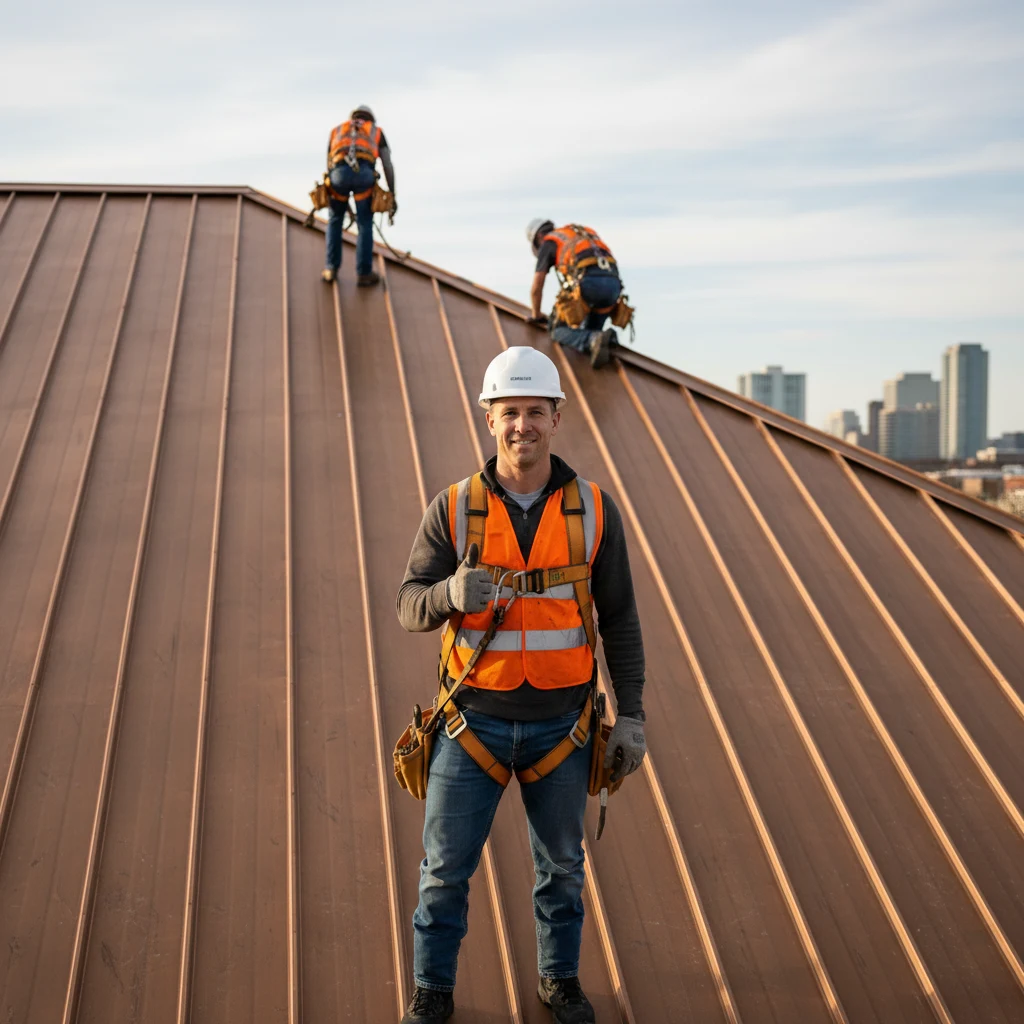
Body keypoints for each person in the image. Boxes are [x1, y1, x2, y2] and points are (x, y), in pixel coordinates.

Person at [396, 346, 648, 1024]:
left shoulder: (595, 511)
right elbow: (408, 605)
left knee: (562, 872)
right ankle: (432, 992)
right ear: (489, 419)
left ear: (557, 417)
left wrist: (633, 717)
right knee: (444, 874)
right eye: (510, 412)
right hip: (469, 725)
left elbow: (620, 619)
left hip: (561, 728)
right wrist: (448, 592)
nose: (522, 426)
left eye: (535, 412)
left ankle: (559, 982)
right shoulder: (453, 508)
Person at [525, 220, 623, 369]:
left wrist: (536, 315)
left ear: (539, 236)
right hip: (614, 287)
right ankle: (601, 340)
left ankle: (592, 339)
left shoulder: (549, 241)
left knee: (556, 330)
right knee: (594, 339)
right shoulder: (582, 234)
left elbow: (537, 287)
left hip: (589, 283)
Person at [322, 104, 396, 286]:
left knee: (335, 220)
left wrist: (341, 199)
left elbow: (329, 164)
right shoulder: (375, 131)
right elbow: (387, 164)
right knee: (364, 223)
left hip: (338, 175)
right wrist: (392, 193)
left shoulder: (337, 130)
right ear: (371, 118)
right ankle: (364, 273)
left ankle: (331, 269)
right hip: (364, 176)